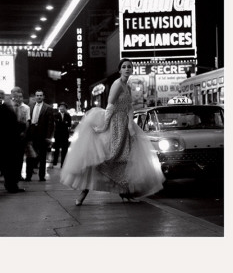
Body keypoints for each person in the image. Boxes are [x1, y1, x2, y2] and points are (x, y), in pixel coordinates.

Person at [60, 58, 165, 205]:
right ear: (120, 69)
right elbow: (110, 106)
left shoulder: (127, 86)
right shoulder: (117, 84)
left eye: (129, 67)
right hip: (113, 123)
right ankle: (83, 192)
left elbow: (129, 107)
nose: (127, 69)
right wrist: (104, 126)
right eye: (124, 67)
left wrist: (129, 124)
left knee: (125, 159)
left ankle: (125, 192)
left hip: (124, 125)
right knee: (103, 158)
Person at [0, 89, 25, 193]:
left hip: (8, 141)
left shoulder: (3, 108)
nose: (1, 99)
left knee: (9, 165)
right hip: (7, 141)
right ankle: (11, 185)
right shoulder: (2, 108)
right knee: (9, 165)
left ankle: (11, 185)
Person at [25, 89, 54, 181]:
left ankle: (42, 176)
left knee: (42, 156)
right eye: (37, 95)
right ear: (35, 96)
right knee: (30, 156)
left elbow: (50, 123)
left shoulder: (48, 108)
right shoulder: (30, 106)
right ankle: (28, 176)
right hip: (32, 133)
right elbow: (28, 120)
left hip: (42, 134)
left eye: (40, 95)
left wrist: (48, 136)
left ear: (43, 96)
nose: (39, 97)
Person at [11, 87, 30, 182]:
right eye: (16, 96)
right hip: (11, 135)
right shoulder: (9, 106)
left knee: (20, 157)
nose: (18, 98)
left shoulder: (26, 108)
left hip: (21, 135)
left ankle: (18, 174)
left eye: (20, 96)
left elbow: (27, 122)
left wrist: (24, 133)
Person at [53, 102, 71, 168]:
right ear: (59, 108)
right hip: (57, 134)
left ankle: (63, 164)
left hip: (65, 135)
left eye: (63, 107)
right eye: (61, 107)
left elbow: (69, 124)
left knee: (64, 150)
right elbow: (56, 123)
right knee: (56, 149)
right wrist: (64, 123)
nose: (62, 108)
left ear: (66, 108)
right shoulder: (55, 115)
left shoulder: (68, 115)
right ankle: (54, 162)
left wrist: (61, 123)